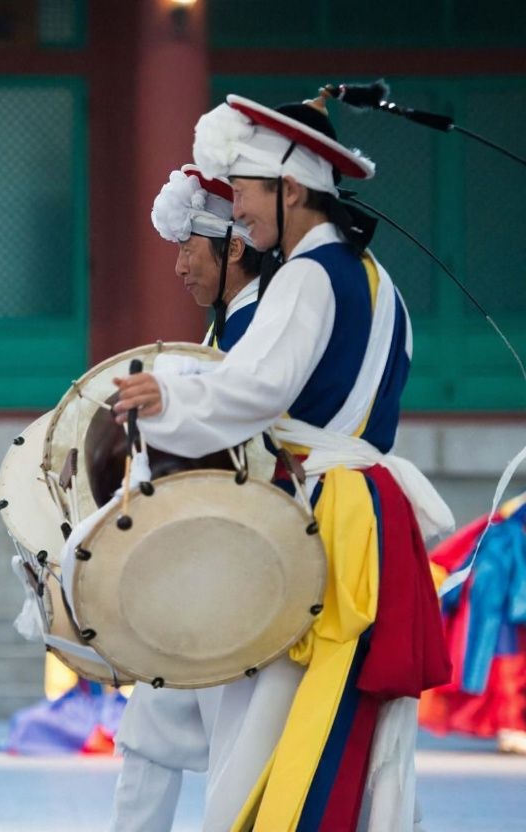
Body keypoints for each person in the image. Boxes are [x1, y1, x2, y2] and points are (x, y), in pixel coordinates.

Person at [114, 93, 452, 830]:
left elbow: (257, 390)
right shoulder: (379, 284)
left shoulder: (305, 274)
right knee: (338, 732)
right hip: (369, 512)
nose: (238, 213)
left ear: (289, 189)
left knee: (267, 741)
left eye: (242, 192)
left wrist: (164, 396)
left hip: (320, 519)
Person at [109, 164, 261, 829]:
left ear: (231, 246)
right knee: (150, 728)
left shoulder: (264, 330)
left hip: (245, 564)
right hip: (199, 562)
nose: (176, 268)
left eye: (186, 248)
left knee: (238, 745)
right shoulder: (225, 330)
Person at [421, 494, 526, 753]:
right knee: (509, 665)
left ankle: (512, 726)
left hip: (504, 597)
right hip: (502, 598)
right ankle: (512, 726)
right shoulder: (508, 522)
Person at [0, 652, 125, 756]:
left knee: (122, 725)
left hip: (110, 705)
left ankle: (103, 739)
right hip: (77, 704)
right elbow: (60, 687)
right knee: (26, 720)